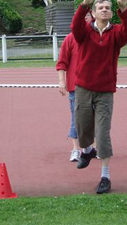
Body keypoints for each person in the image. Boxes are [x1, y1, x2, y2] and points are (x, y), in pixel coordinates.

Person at [71, 0, 127, 194]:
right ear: (94, 12)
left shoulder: (116, 33)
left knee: (103, 133)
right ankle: (87, 151)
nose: (105, 10)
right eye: (101, 7)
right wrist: (84, 5)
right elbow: (75, 27)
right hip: (83, 89)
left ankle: (105, 177)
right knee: (82, 127)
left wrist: (123, 10)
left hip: (105, 92)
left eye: (108, 7)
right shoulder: (85, 32)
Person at [56, 11, 93, 162]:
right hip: (75, 86)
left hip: (94, 86)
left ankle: (91, 148)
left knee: (94, 118)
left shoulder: (96, 38)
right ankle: (75, 149)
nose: (85, 18)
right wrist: (62, 81)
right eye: (82, 15)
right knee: (76, 118)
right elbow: (62, 62)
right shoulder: (70, 39)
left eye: (88, 15)